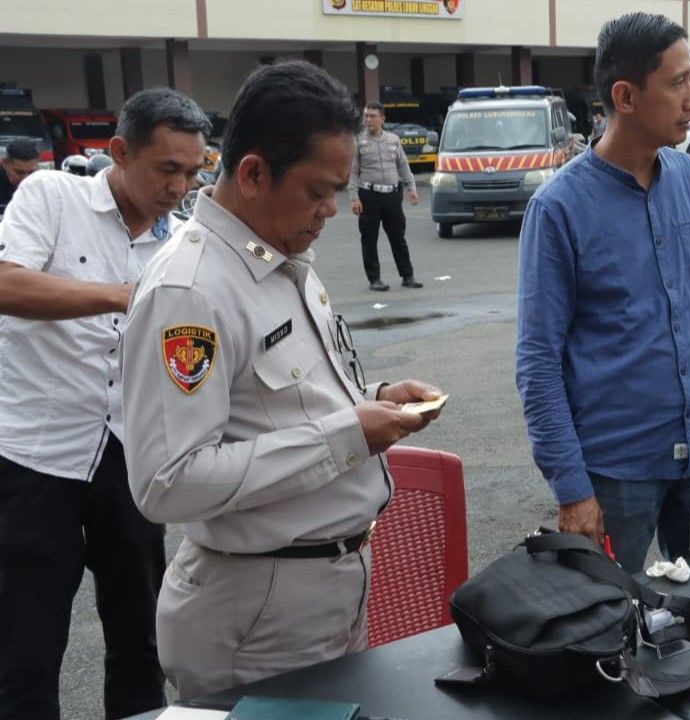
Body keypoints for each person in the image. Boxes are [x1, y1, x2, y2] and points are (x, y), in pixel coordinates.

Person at [121, 60, 445, 700]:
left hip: (327, 588)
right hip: (258, 612)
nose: (332, 210)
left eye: (338, 189)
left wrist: (371, 401)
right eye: (318, 191)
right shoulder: (191, 291)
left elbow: (278, 401)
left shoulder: (280, 253)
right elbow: (167, 483)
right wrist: (347, 434)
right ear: (252, 173)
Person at [516, 12, 690, 574]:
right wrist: (572, 488)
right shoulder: (558, 209)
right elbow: (538, 361)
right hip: (617, 470)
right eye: (678, 83)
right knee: (607, 628)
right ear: (624, 96)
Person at [0, 88, 208, 720]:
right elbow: (6, 283)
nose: (179, 186)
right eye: (166, 169)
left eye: (194, 172)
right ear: (118, 152)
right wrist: (123, 295)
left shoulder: (188, 238)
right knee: (26, 647)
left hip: (132, 458)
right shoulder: (51, 198)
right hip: (36, 457)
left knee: (142, 640)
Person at [350, 100, 422, 291]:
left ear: (382, 119)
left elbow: (403, 165)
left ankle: (408, 276)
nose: (368, 120)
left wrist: (411, 188)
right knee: (369, 238)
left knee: (398, 236)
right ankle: (374, 279)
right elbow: (353, 171)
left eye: (372, 116)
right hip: (368, 196)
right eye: (366, 116)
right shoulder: (359, 140)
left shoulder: (393, 140)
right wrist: (354, 197)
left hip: (391, 195)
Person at [0, 139, 40, 219]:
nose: (25, 179)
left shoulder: (43, 183)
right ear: (4, 164)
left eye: (31, 173)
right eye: (19, 172)